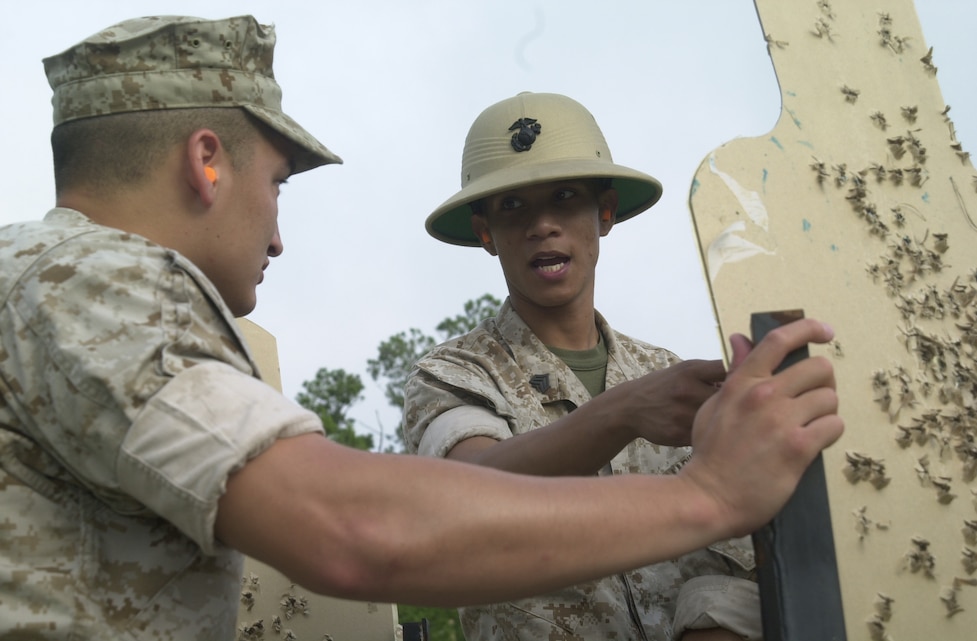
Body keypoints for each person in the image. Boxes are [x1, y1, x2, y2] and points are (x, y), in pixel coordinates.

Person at [0, 16, 843, 640]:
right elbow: (356, 530)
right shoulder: (91, 282)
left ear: (604, 215)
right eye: (280, 183)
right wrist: (707, 492)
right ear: (206, 160)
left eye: (564, 201)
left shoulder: (64, 285)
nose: (280, 233)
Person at [404, 92, 773, 640]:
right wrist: (621, 413)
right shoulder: (455, 374)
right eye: (512, 206)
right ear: (485, 232)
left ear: (604, 213)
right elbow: (470, 492)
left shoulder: (667, 373)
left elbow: (745, 541)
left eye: (565, 197)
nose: (542, 225)